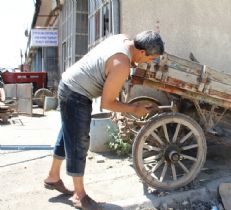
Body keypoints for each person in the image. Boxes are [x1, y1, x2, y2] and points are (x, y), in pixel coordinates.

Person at [44, 30, 164, 210]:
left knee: (68, 133)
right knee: (79, 142)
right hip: (76, 93)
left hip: (69, 83)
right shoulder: (121, 65)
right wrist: (134, 109)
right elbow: (107, 103)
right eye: (151, 59)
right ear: (141, 52)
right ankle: (80, 196)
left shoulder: (122, 38)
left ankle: (52, 177)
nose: (150, 63)